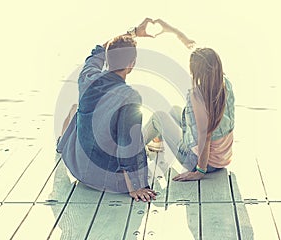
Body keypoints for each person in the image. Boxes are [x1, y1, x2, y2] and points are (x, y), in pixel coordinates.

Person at [57, 18, 159, 202]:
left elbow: (97, 52)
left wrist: (134, 32)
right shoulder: (130, 96)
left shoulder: (87, 77)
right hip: (106, 179)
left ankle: (60, 146)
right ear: (131, 64)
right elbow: (127, 144)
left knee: (75, 109)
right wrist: (136, 187)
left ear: (107, 58)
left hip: (78, 168)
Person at [143, 19, 235, 181]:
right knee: (174, 110)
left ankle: (126, 152)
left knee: (159, 116)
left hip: (202, 163)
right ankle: (157, 141)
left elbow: (204, 136)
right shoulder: (223, 82)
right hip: (222, 158)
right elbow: (204, 56)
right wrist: (174, 31)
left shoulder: (197, 96)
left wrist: (199, 171)